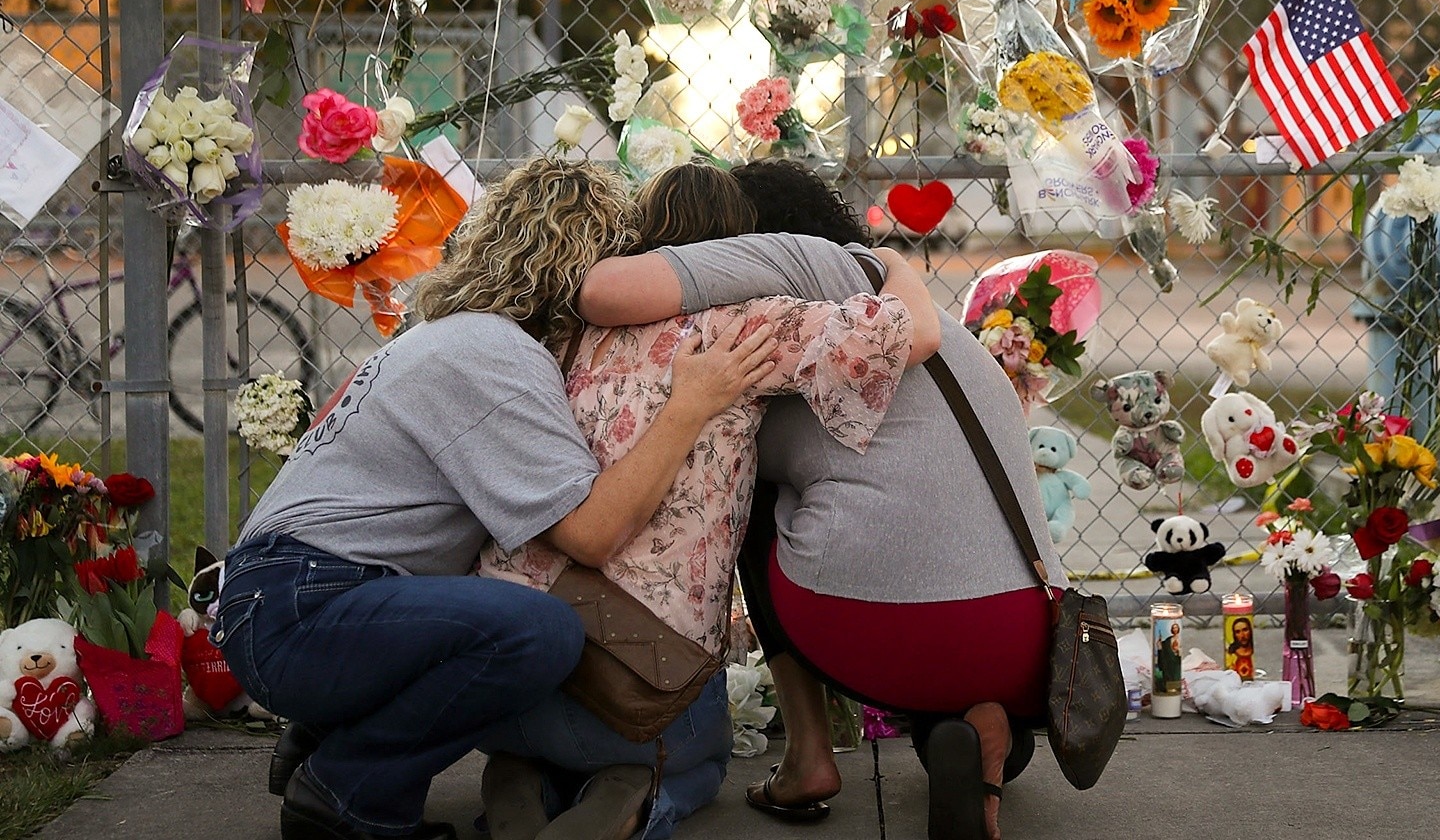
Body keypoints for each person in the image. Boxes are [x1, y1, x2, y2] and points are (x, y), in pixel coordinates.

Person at [216, 159, 780, 840]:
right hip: (304, 608)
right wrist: (690, 406)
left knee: (495, 602)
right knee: (535, 631)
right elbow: (592, 533)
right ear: (583, 272)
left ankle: (331, 746)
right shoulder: (495, 356)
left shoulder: (444, 337)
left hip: (284, 598)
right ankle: (349, 791)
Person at [579, 159, 1070, 840]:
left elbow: (603, 292)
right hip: (1025, 634)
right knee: (963, 689)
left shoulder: (781, 313)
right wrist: (898, 263)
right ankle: (978, 728)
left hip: (868, 623)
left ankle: (809, 756)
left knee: (751, 497)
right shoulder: (903, 308)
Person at [473, 161, 939, 840]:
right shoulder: (745, 326)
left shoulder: (564, 325)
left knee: (526, 740)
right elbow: (912, 335)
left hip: (505, 636)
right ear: (738, 245)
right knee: (695, 758)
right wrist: (895, 265)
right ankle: (633, 794)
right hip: (633, 672)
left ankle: (517, 774)